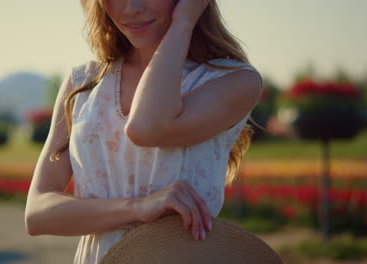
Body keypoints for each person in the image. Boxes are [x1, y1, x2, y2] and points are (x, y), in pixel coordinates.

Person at [24, 0, 264, 263]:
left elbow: (146, 128)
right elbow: (37, 214)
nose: (131, 8)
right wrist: (138, 208)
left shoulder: (234, 80)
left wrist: (184, 22)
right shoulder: (82, 83)